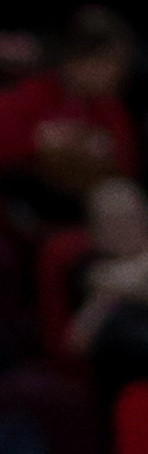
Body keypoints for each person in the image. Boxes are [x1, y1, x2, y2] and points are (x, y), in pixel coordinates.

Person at [0, 8, 139, 236]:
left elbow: (126, 171)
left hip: (92, 215)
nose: (117, 74)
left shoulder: (111, 110)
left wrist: (103, 152)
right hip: (34, 213)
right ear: (76, 60)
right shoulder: (32, 95)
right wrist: (40, 143)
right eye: (107, 64)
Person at [63, 175, 148, 410]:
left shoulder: (110, 280)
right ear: (93, 232)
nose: (123, 228)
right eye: (111, 221)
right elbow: (77, 342)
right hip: (129, 382)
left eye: (131, 218)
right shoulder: (85, 272)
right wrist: (107, 297)